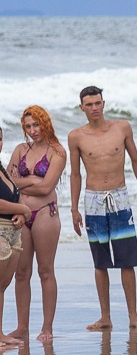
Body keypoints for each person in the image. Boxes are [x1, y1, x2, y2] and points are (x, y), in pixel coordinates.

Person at [68, 86, 137, 331]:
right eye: (89, 104)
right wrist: (74, 209)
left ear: (104, 103)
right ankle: (105, 317)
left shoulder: (122, 127)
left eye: (97, 103)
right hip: (93, 200)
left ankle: (133, 316)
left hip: (120, 197)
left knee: (127, 258)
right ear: (81, 107)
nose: (94, 108)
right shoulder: (76, 136)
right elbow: (75, 174)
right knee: (100, 261)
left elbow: (135, 160)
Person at [6, 107, 66, 342]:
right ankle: (22, 328)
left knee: (45, 271)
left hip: (45, 214)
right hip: (21, 214)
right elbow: (8, 182)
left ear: (46, 123)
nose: (33, 131)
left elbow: (45, 188)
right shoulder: (21, 149)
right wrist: (31, 180)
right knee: (21, 273)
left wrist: (23, 182)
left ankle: (47, 328)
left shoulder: (57, 152)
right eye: (28, 127)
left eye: (36, 125)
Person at [0, 124, 33, 346]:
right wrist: (24, 210)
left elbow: (15, 195)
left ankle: (0, 333)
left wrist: (21, 213)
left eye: (0, 138)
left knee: (2, 286)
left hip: (13, 231)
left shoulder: (2, 168)